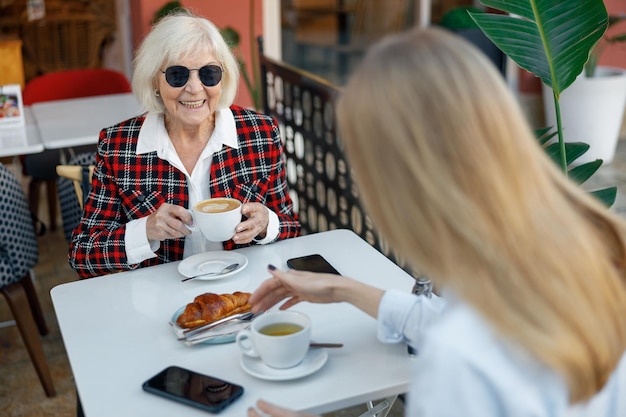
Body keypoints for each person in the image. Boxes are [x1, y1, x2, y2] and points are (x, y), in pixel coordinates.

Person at [247, 27, 626, 417]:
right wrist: (343, 289)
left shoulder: (458, 362)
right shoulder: (582, 248)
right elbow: (475, 324)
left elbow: (470, 341)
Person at [69, 10, 300, 279]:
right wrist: (145, 230)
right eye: (177, 75)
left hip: (243, 291)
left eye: (208, 74)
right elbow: (82, 254)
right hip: (158, 298)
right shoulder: (119, 145)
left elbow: (291, 229)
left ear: (222, 79)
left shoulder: (259, 133)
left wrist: (266, 224)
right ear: (155, 81)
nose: (194, 88)